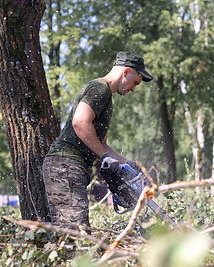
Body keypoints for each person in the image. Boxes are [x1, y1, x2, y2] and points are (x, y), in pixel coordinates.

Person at [42, 51, 153, 229]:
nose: (133, 88)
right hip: (65, 165)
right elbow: (80, 122)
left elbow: (100, 144)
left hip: (70, 167)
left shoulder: (106, 96)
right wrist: (105, 158)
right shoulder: (99, 89)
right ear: (126, 72)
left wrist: (126, 164)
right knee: (76, 235)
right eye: (135, 83)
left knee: (76, 234)